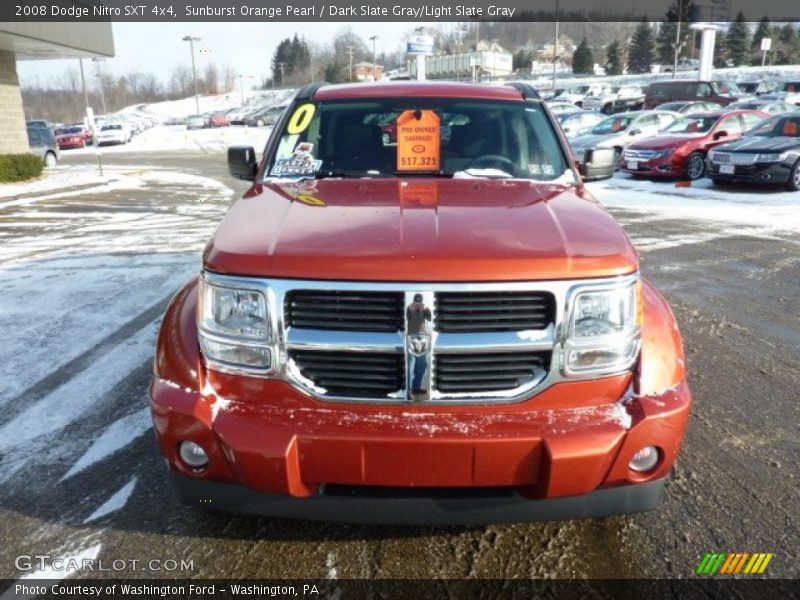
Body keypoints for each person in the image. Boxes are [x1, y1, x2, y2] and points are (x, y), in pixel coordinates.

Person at [406, 294, 432, 396]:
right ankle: (409, 389)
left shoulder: (424, 309)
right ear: (413, 302)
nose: (417, 304)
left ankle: (417, 387)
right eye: (416, 302)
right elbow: (406, 318)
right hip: (412, 336)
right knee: (411, 363)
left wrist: (426, 309)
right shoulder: (409, 309)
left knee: (422, 364)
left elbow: (429, 318)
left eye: (419, 302)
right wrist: (410, 309)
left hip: (422, 337)